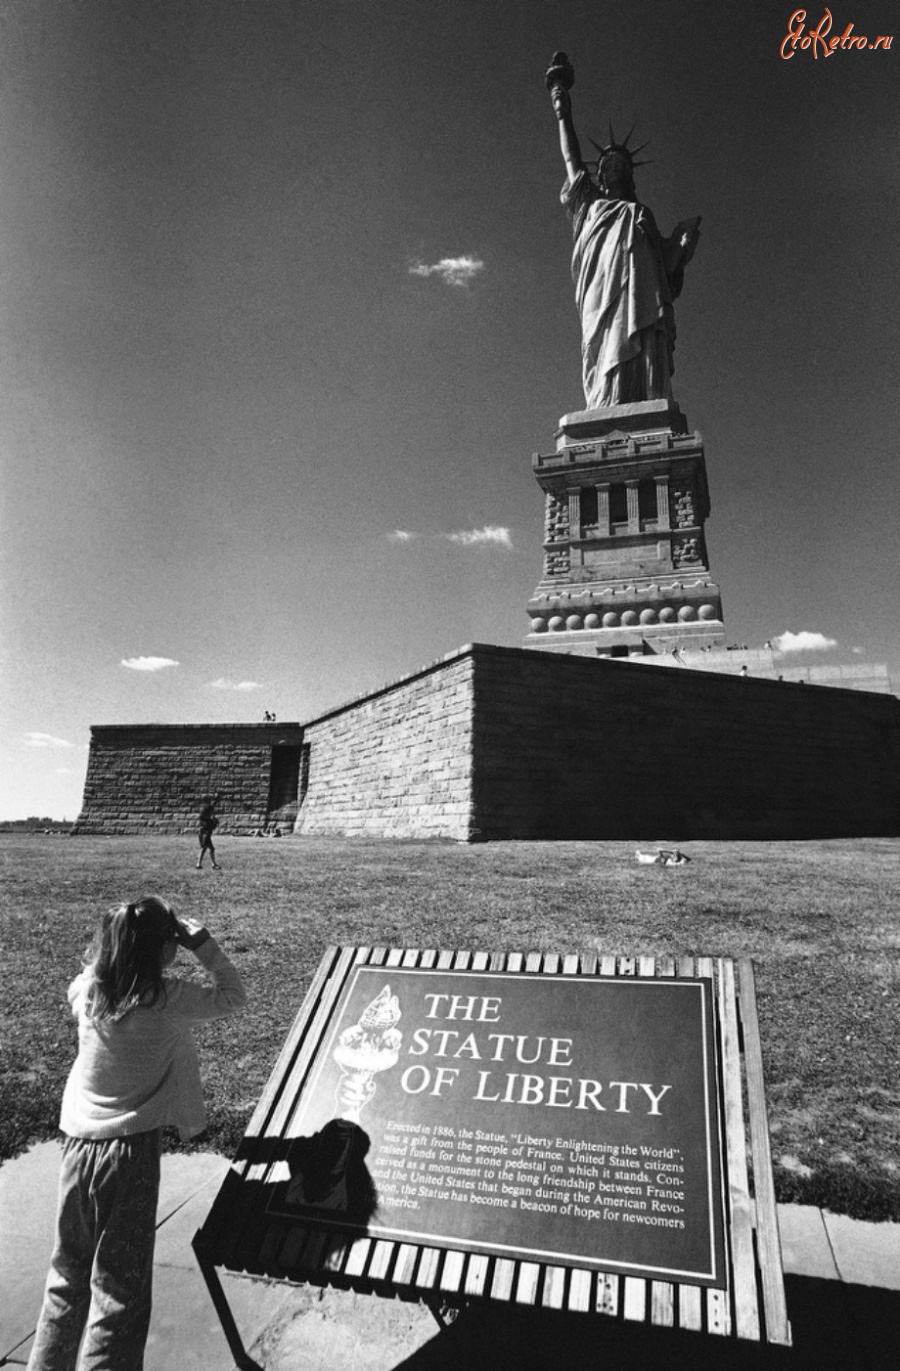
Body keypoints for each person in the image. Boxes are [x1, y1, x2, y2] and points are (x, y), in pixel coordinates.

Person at [27, 896, 247, 1371]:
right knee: (119, 1293)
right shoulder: (168, 999)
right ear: (166, 948)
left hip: (76, 1147)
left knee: (66, 1276)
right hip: (129, 1154)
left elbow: (82, 982)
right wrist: (204, 945)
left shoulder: (90, 991)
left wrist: (116, 950)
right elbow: (234, 995)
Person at [546, 53, 701, 410]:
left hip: (642, 296)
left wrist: (682, 247)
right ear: (599, 174)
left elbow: (665, 267)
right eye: (607, 164)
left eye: (620, 165)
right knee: (604, 349)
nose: (613, 168)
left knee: (645, 336)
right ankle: (606, 405)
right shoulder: (589, 204)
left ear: (629, 175)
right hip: (602, 292)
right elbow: (571, 159)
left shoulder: (640, 212)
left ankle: (645, 401)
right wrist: (561, 109)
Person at [197, 794, 219, 870]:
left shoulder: (209, 807)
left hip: (206, 831)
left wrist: (216, 797)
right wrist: (211, 820)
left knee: (208, 848)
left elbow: (213, 804)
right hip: (204, 832)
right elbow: (201, 817)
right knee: (205, 848)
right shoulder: (205, 808)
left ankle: (211, 864)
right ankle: (200, 864)